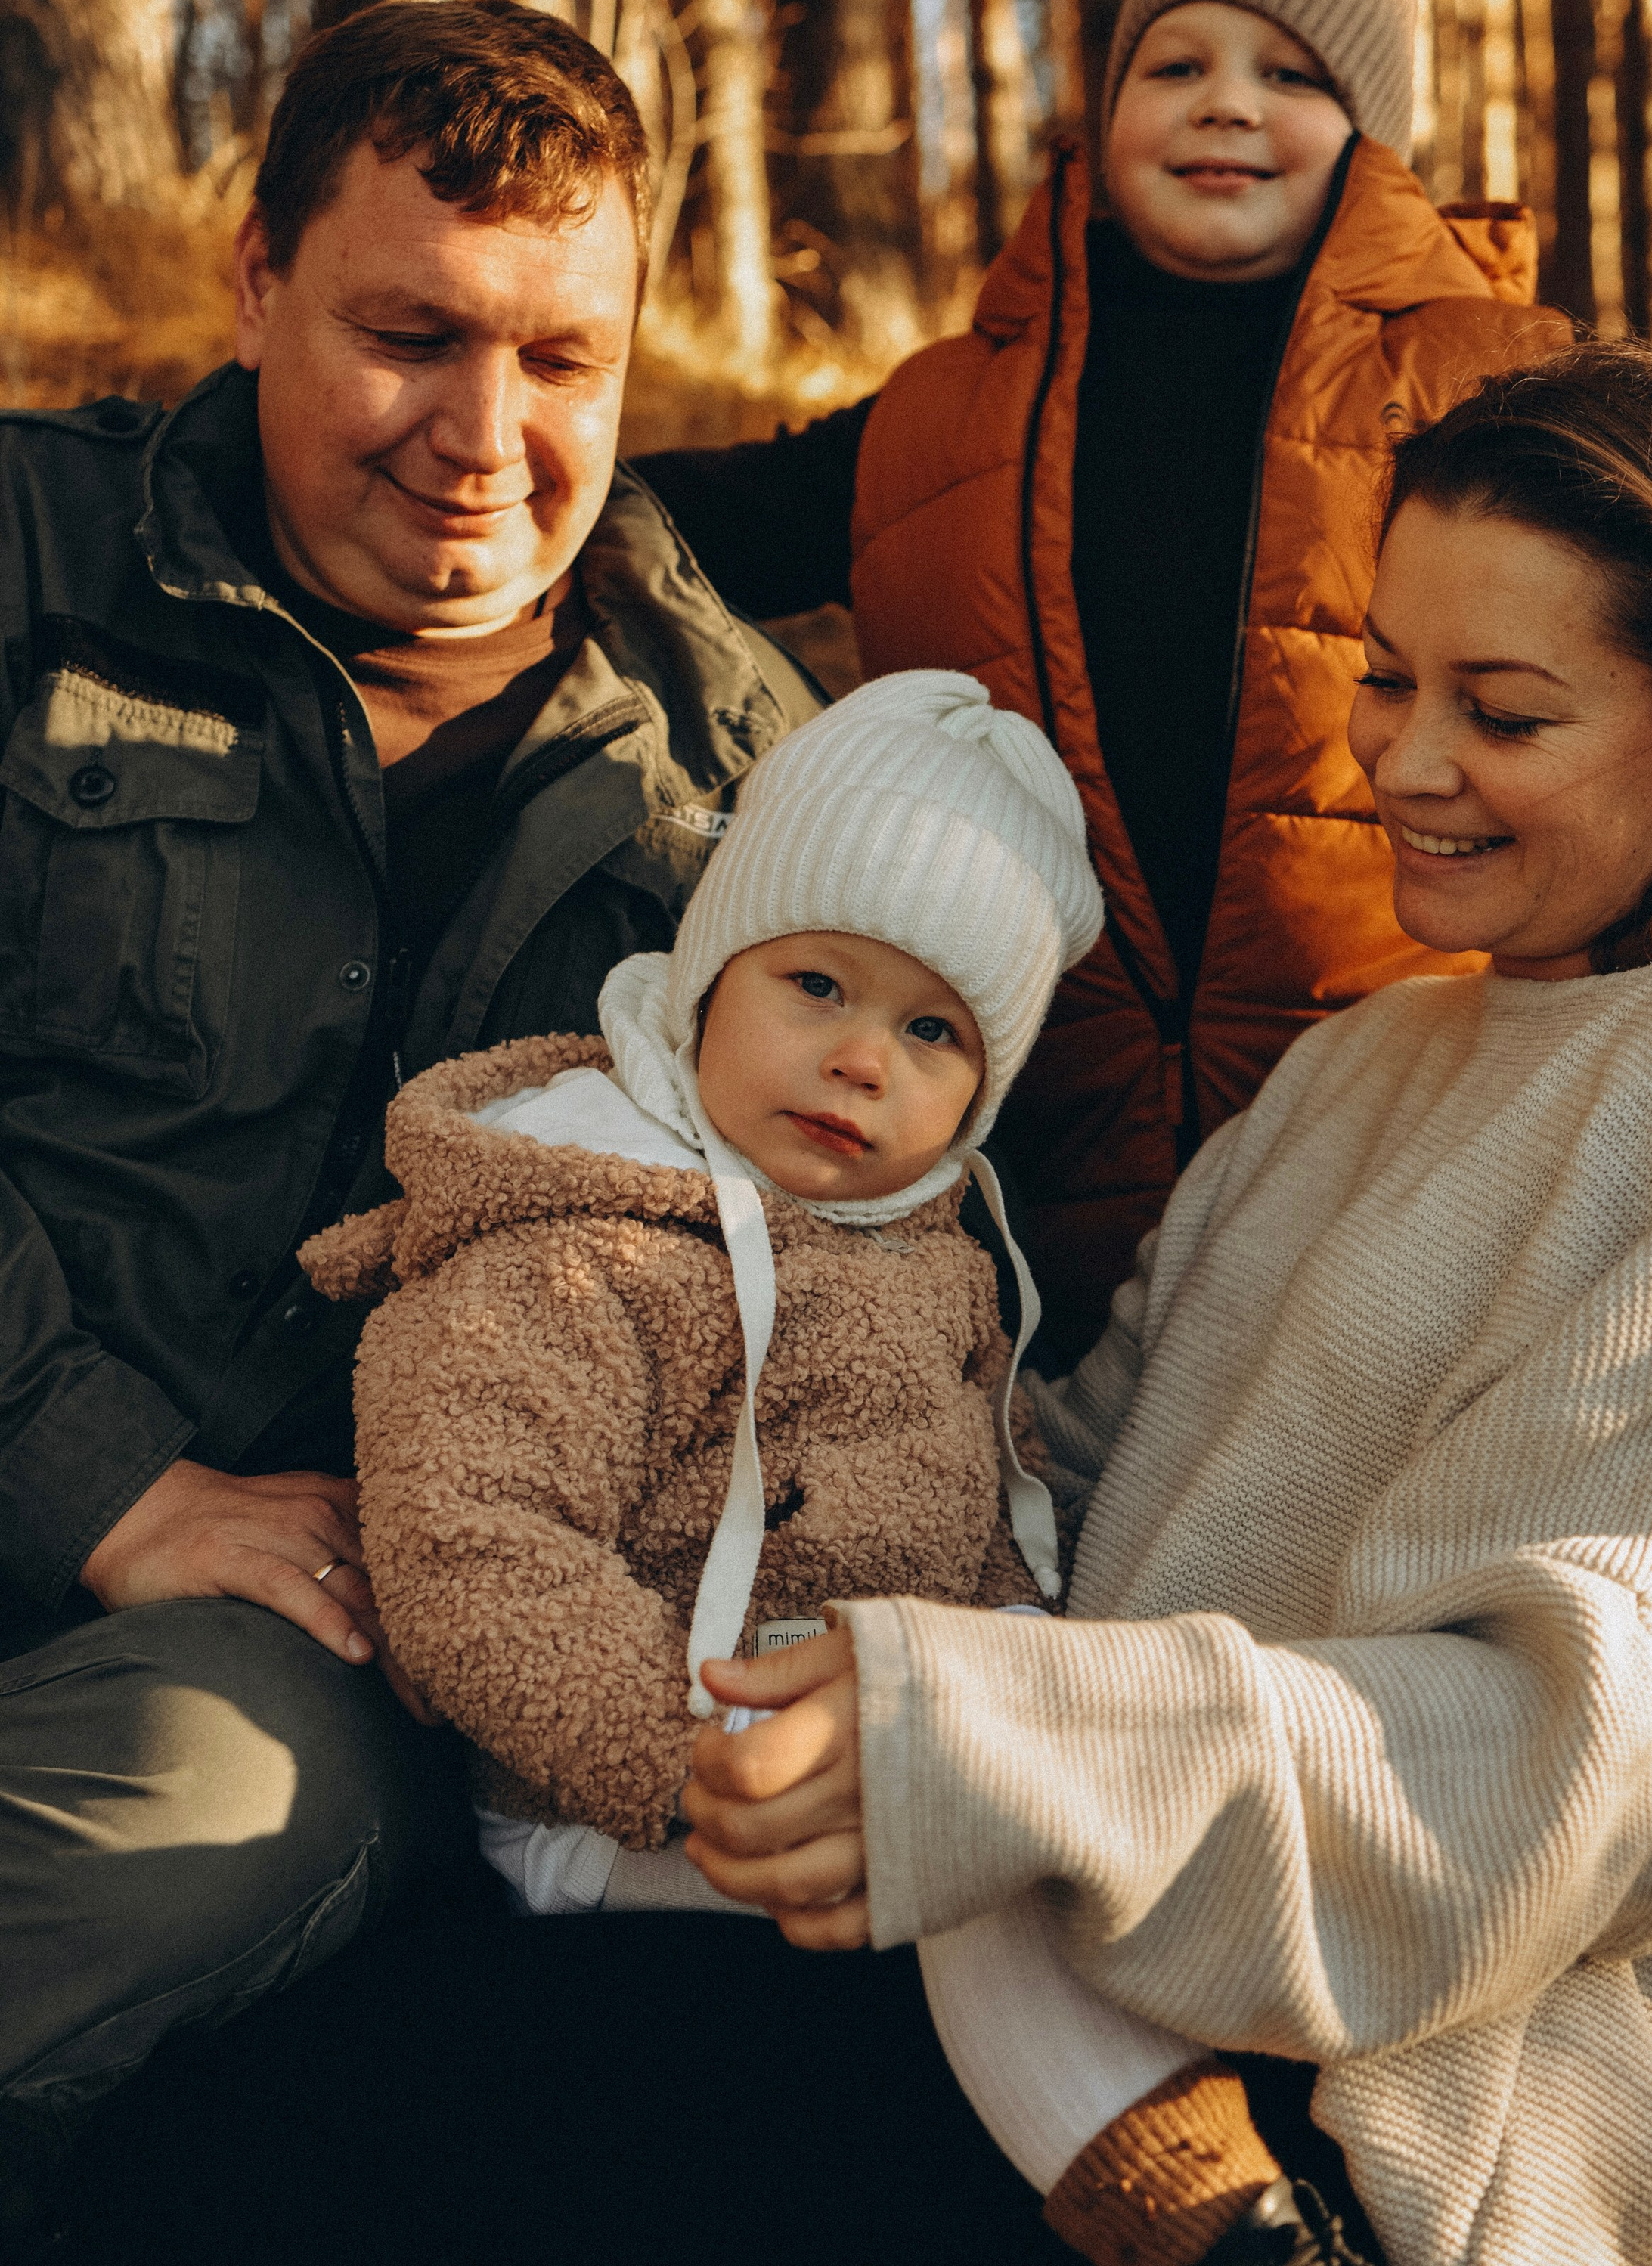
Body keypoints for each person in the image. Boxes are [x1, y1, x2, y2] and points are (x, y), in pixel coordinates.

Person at [666, 342, 1652, 2266]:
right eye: (1391, 679)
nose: (1405, 765)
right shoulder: (1371, 1063)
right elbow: (1073, 1480)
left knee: (424, 2181)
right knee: (346, 2108)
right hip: (1131, 1942)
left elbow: (1573, 1779)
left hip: (1429, 2178)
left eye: (1504, 712)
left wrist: (1003, 1743)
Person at [0, 0, 819, 2260]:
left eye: (561, 360)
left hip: (317, 1647)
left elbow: (875, 1249)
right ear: (255, 282)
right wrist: (96, 1476)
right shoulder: (27, 564)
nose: (484, 437)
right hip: (64, 1453)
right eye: (408, 337)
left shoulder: (743, 778)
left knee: (206, 1797)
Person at [636, 0, 1573, 1347]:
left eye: (1292, 76)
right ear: (1108, 111)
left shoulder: (1495, 384)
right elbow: (676, 518)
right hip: (1038, 1161)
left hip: (1406, 1128)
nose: (1227, 108)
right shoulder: (947, 414)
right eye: (1176, 65)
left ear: (1374, 138)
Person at [296, 671, 1102, 1911]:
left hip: (865, 1765)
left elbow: (991, 1509)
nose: (861, 1059)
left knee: (1080, 1864)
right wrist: (706, 1765)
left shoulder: (939, 1259)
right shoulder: (583, 1240)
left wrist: (1016, 1680)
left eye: (935, 1032)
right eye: (817, 986)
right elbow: (472, 1543)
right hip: (623, 1801)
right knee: (987, 1916)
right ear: (709, 979)